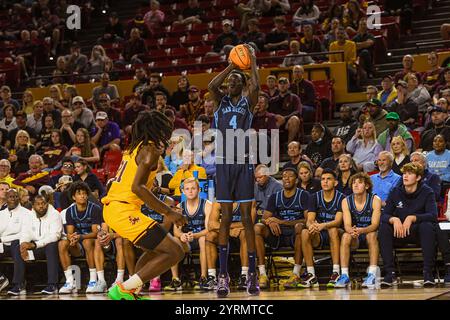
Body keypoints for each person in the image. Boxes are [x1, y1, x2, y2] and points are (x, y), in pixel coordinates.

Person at [102, 110, 186, 300]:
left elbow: (138, 184)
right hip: (122, 209)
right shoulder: (151, 151)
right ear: (159, 129)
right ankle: (122, 289)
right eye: (166, 127)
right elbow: (137, 187)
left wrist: (162, 198)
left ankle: (132, 291)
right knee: (176, 251)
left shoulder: (139, 146)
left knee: (155, 249)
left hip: (118, 207)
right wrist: (168, 213)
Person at [207, 43, 260, 297]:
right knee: (225, 218)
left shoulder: (248, 103)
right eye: (228, 82)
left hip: (244, 162)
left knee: (247, 218)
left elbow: (257, 86)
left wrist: (251, 61)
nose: (229, 84)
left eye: (234, 81)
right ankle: (223, 276)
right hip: (224, 163)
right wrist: (231, 65)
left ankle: (252, 274)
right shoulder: (220, 101)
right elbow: (210, 86)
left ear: (242, 84)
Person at [379, 163, 438, 287]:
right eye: (404, 173)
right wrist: (393, 219)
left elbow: (433, 215)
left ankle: (428, 273)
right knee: (384, 227)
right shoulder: (396, 191)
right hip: (399, 231)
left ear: (418, 178)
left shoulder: (427, 191)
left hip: (418, 232)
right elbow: (384, 215)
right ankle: (390, 273)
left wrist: (413, 218)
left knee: (427, 226)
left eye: (409, 174)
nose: (405, 176)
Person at [254, 167, 310, 289]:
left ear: (296, 180)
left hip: (295, 234)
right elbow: (264, 218)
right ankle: (262, 273)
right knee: (258, 228)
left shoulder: (304, 195)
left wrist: (281, 221)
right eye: (284, 176)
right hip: (278, 233)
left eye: (290, 176)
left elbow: (307, 220)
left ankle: (296, 273)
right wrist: (269, 222)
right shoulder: (275, 197)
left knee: (300, 227)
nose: (286, 178)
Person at [335, 173, 382, 288]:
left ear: (366, 186)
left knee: (371, 235)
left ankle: (372, 274)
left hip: (370, 232)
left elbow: (375, 225)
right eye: (354, 183)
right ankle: (344, 275)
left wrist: (361, 230)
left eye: (359, 182)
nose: (355, 185)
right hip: (355, 234)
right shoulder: (346, 201)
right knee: (346, 236)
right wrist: (352, 231)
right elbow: (346, 224)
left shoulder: (375, 200)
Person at [299, 168, 345, 288]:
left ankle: (336, 272)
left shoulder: (342, 197)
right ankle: (311, 275)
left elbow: (338, 221)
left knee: (333, 229)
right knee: (304, 232)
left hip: (338, 232)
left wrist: (322, 225)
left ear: (335, 182)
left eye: (328, 179)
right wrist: (312, 226)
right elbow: (309, 219)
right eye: (323, 179)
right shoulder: (314, 197)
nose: (325, 182)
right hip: (319, 232)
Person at [58, 181, 103, 294]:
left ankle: (93, 280)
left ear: (87, 195)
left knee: (87, 242)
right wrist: (71, 238)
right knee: (62, 244)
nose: (82, 196)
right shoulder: (69, 211)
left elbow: (95, 233)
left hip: (92, 242)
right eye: (79, 194)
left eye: (84, 193)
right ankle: (70, 281)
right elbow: (69, 232)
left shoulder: (95, 209)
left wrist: (80, 237)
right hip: (78, 244)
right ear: (73, 197)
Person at [16, 194, 63, 295]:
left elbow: (55, 236)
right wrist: (23, 245)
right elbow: (25, 232)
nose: (41, 206)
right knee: (17, 246)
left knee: (52, 245)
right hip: (36, 247)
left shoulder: (54, 214)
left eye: (43, 203)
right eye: (38, 204)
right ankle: (19, 285)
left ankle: (52, 285)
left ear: (47, 204)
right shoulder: (29, 215)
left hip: (50, 246)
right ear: (33, 206)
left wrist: (35, 245)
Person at [206, 200, 256, 291]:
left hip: (240, 236)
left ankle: (244, 276)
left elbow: (250, 223)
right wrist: (229, 230)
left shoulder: (248, 200)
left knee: (245, 233)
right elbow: (211, 225)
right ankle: (212, 277)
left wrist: (228, 227)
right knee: (210, 236)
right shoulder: (218, 201)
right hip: (224, 236)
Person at [173, 178, 212, 290]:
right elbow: (176, 231)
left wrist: (195, 235)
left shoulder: (207, 205)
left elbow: (209, 229)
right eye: (187, 189)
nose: (190, 191)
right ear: (183, 191)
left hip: (201, 238)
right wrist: (182, 236)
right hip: (186, 241)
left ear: (199, 190)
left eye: (193, 188)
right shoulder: (180, 207)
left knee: (203, 239)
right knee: (174, 240)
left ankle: (203, 277)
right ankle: (175, 279)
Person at [0, 189, 32, 295]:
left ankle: (19, 285)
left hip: (18, 243)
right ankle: (1, 278)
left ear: (19, 198)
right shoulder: (1, 214)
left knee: (17, 244)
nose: (13, 199)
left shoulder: (26, 213)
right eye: (10, 197)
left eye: (15, 197)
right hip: (3, 245)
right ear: (6, 199)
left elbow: (24, 233)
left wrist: (3, 239)